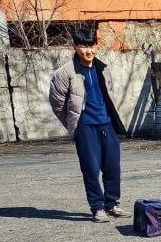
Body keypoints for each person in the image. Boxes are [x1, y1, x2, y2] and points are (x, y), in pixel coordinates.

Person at [48, 27, 127, 223]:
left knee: (112, 166)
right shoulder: (65, 72)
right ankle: (97, 207)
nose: (88, 50)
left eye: (91, 45)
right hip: (86, 127)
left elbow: (109, 95)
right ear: (74, 46)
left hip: (106, 123)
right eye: (83, 46)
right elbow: (56, 103)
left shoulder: (103, 68)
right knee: (91, 169)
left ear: (96, 46)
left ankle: (112, 204)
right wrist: (74, 124)